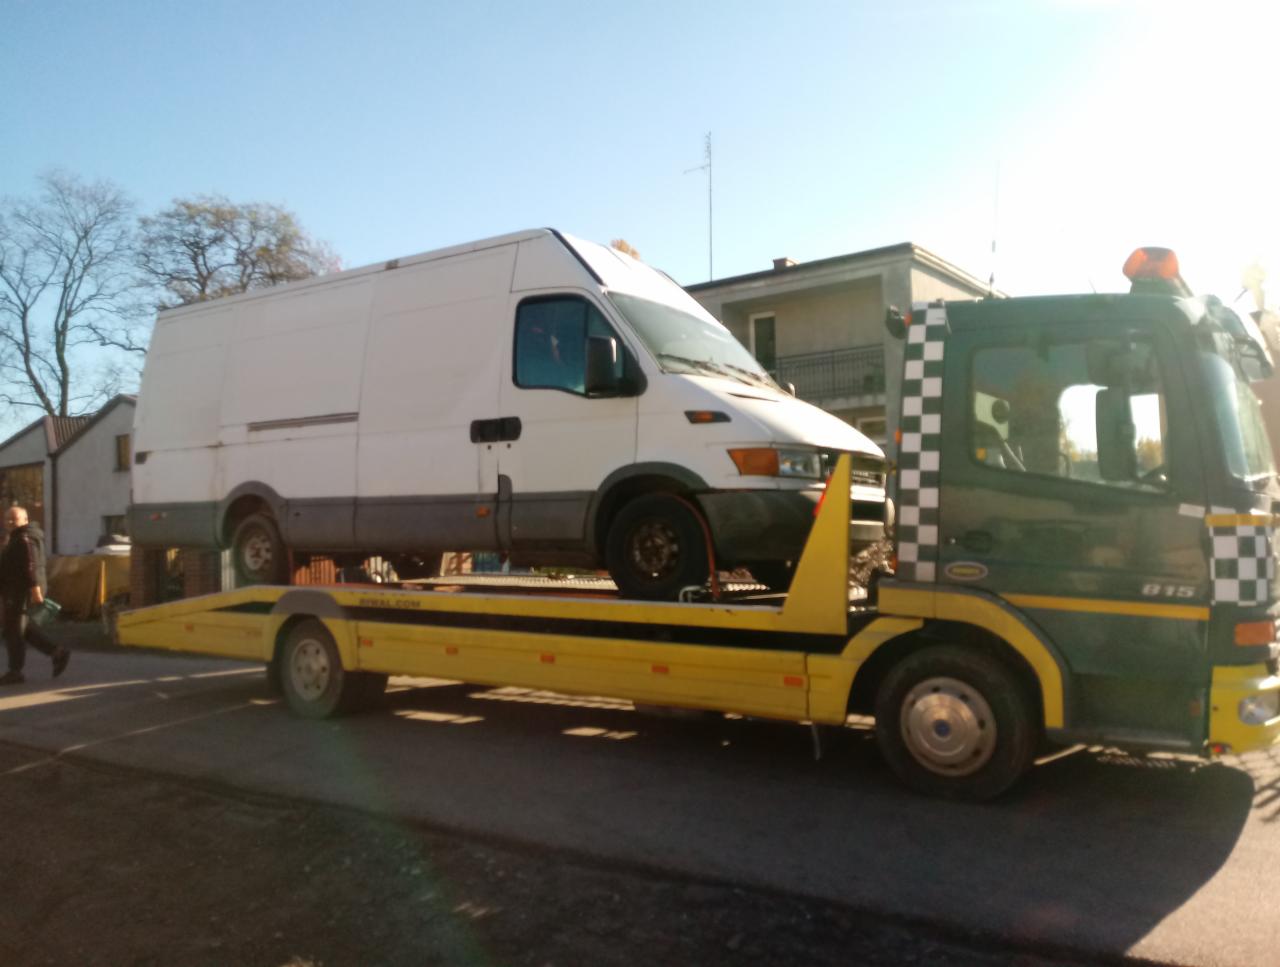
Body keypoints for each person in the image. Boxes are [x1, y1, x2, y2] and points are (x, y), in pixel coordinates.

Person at [0, 506, 69, 685]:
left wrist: (35, 589)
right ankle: (57, 652)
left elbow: (30, 565)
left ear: (25, 520)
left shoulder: (24, 538)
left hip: (20, 592)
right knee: (19, 629)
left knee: (13, 631)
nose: (9, 522)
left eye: (14, 519)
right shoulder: (18, 537)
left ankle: (15, 671)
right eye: (7, 519)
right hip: (15, 591)